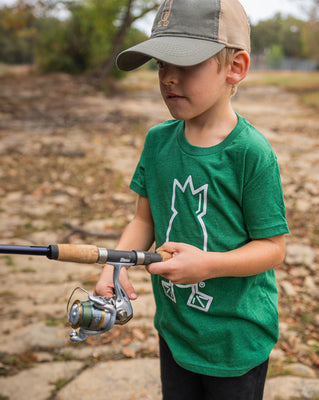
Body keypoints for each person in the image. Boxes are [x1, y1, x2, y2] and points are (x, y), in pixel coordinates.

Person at [94, 0, 289, 399]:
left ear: (235, 67)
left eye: (185, 64)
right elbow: (143, 221)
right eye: (162, 65)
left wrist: (209, 265)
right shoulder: (157, 141)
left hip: (235, 340)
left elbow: (273, 248)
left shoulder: (251, 153)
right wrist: (115, 265)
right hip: (177, 330)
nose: (168, 78)